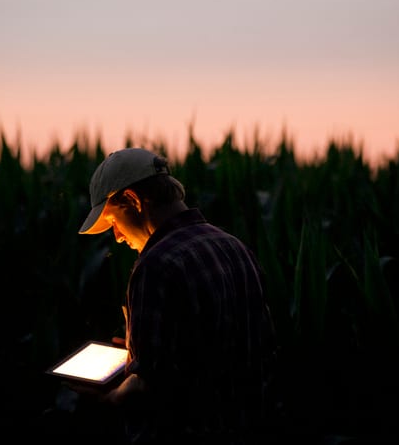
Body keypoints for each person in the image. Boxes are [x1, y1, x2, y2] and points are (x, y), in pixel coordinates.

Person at [77, 147, 279, 444]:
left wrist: (106, 398)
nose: (117, 237)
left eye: (113, 222)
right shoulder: (234, 247)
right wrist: (136, 352)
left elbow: (149, 387)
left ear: (132, 200)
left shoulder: (156, 265)